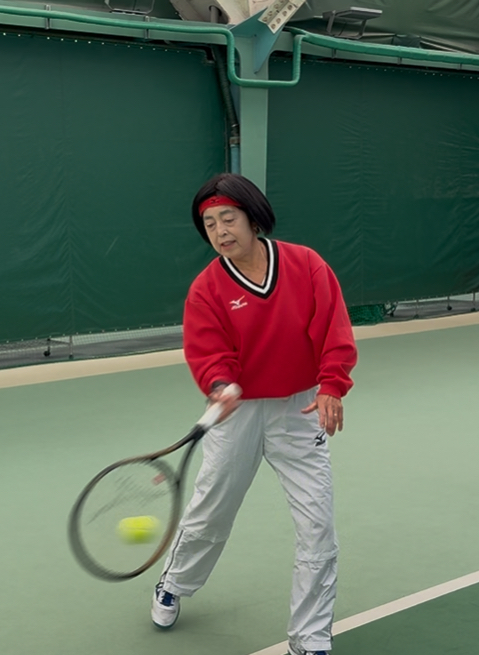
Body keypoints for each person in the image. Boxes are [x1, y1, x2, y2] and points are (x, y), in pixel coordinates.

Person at [151, 173, 358, 655]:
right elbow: (208, 352)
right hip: (237, 414)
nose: (220, 231)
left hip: (300, 409)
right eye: (209, 224)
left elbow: (334, 329)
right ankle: (174, 584)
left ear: (253, 218)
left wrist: (332, 384)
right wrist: (219, 385)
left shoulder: (306, 265)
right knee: (210, 513)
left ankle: (310, 637)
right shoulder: (206, 289)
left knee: (317, 525)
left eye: (228, 218)